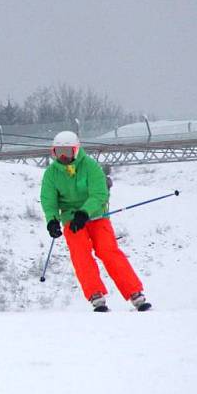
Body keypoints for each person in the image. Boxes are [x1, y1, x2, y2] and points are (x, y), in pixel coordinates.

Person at [40, 130, 151, 312]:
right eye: (58, 152)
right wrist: (52, 221)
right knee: (80, 255)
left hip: (96, 216)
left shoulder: (90, 166)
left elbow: (100, 193)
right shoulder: (51, 174)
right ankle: (95, 294)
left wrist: (84, 213)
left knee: (108, 251)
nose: (63, 157)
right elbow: (48, 200)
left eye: (67, 152)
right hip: (71, 220)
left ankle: (134, 293)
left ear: (76, 151)